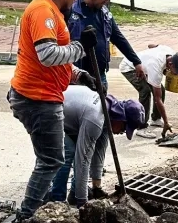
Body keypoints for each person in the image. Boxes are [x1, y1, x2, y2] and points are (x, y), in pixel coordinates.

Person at [7, 0, 96, 223]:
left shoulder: (51, 12)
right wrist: (81, 47)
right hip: (37, 98)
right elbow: (47, 56)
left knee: (50, 158)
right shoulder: (43, 11)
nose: (76, 2)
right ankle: (26, 219)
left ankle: (34, 212)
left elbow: (55, 61)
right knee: (51, 159)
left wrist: (78, 74)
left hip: (42, 95)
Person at [49, 70, 146, 206]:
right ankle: (56, 200)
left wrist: (97, 187)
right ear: (121, 118)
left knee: (80, 150)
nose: (123, 132)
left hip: (63, 114)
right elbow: (83, 161)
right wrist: (84, 205)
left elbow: (98, 152)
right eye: (125, 128)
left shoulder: (108, 113)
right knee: (69, 151)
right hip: (45, 110)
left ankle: (74, 195)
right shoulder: (96, 119)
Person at [66, 0, 146, 91]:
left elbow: (118, 38)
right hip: (78, 77)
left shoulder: (104, 14)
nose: (107, 0)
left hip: (100, 75)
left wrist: (136, 61)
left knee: (101, 108)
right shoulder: (71, 12)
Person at [121, 44, 178, 139]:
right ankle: (141, 127)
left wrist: (148, 55)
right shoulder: (155, 66)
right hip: (129, 66)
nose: (177, 74)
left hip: (145, 65)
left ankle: (156, 119)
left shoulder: (170, 52)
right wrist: (166, 122)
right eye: (176, 71)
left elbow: (151, 45)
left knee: (161, 89)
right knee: (145, 91)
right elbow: (158, 99)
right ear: (170, 64)